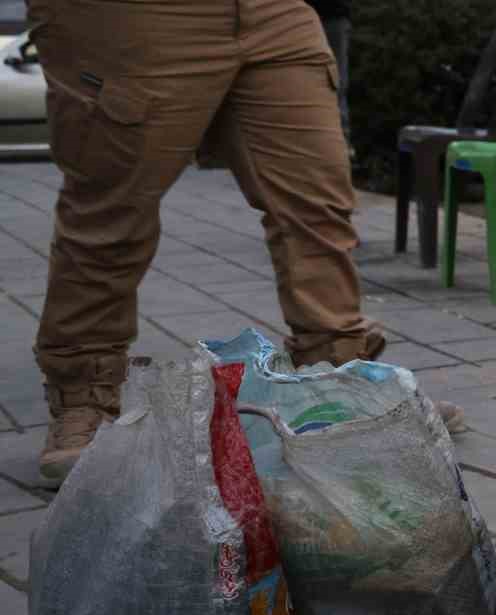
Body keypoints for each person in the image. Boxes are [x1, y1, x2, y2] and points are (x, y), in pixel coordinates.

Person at [27, 0, 386, 482]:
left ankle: (334, 376)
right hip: (126, 16)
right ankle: (83, 399)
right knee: (111, 213)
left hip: (272, 10)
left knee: (316, 203)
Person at [309, 0, 353, 140]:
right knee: (336, 82)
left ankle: (340, 139)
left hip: (329, 16)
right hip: (328, 16)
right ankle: (340, 139)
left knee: (336, 83)